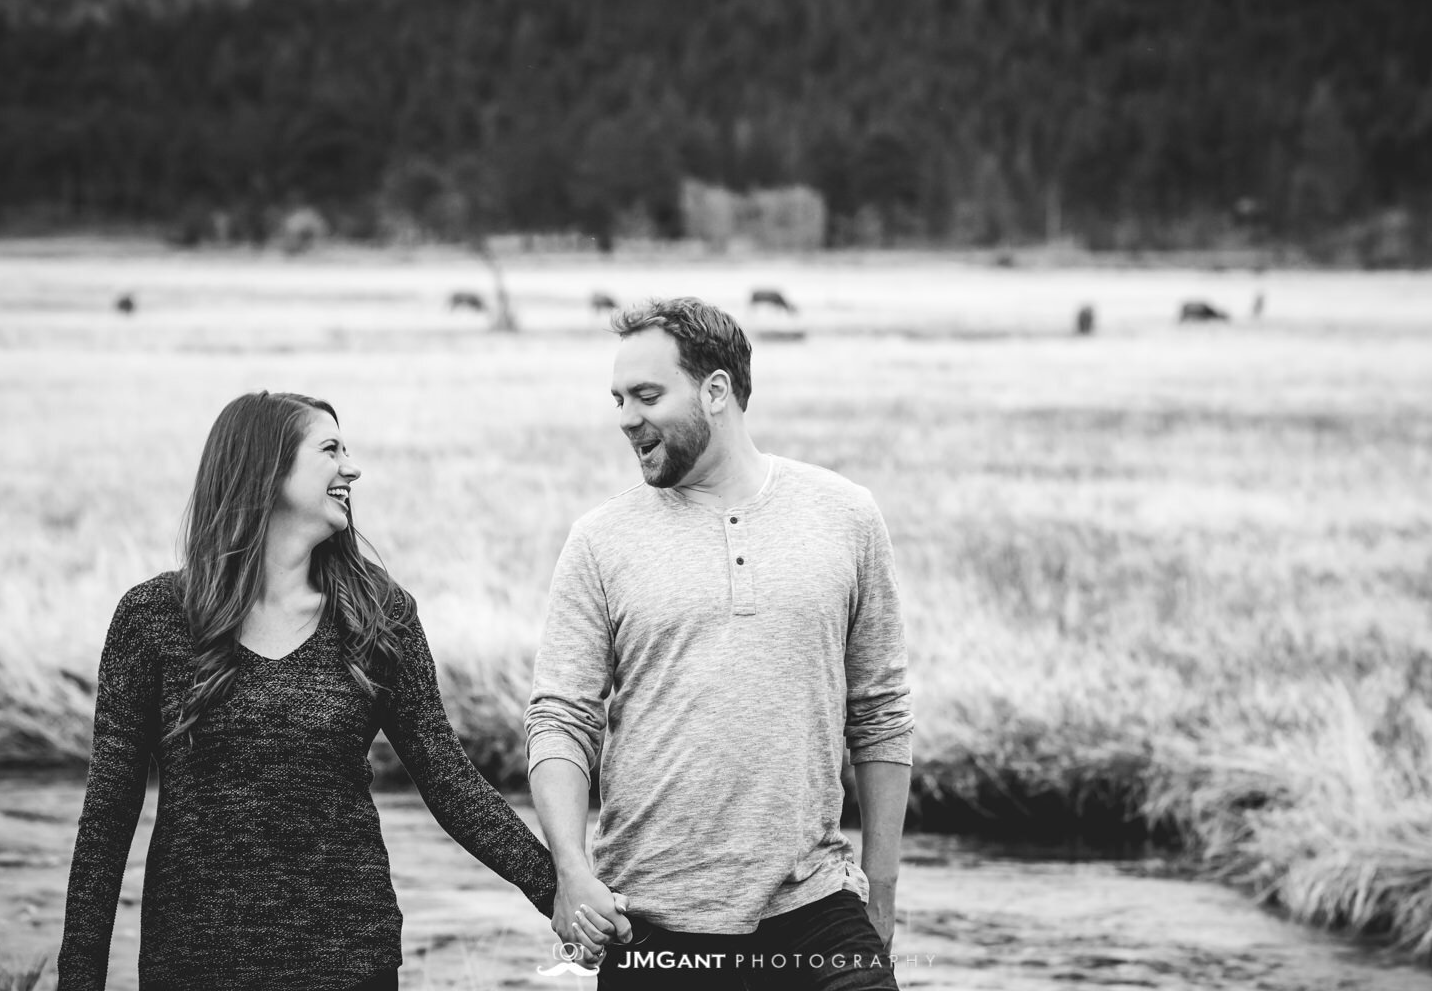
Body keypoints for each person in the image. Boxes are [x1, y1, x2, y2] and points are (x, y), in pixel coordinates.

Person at [57, 391, 602, 991]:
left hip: (348, 959)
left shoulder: (377, 615)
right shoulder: (153, 618)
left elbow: (448, 780)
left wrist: (561, 892)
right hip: (194, 963)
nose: (353, 467)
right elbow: (107, 819)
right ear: (267, 466)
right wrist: (78, 977)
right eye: (331, 449)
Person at [524, 298, 914, 990]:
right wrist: (572, 869)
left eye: (647, 394)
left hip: (817, 906)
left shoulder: (845, 515)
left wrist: (879, 890)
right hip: (651, 921)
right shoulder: (601, 540)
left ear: (716, 391)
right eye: (617, 398)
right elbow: (562, 718)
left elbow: (880, 712)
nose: (625, 417)